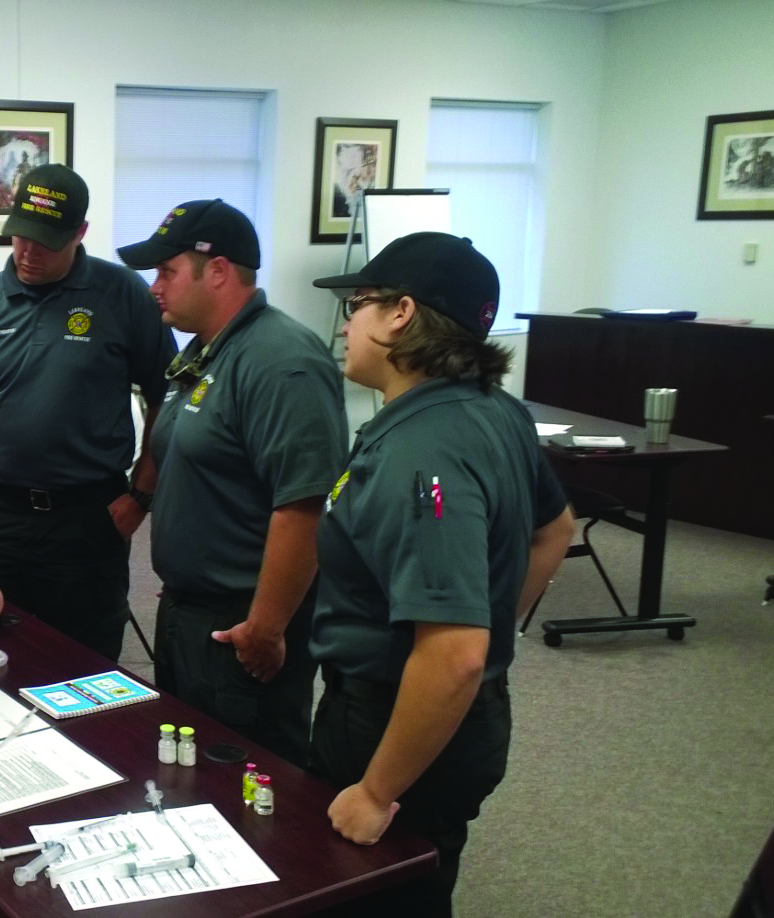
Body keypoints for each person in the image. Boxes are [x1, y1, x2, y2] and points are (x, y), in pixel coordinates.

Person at [308, 232, 575, 916]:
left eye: (357, 304)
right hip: (458, 715)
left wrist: (375, 792)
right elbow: (556, 528)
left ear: (401, 313)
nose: (346, 324)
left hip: (398, 722)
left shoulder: (422, 450)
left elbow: (454, 654)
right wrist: (489, 619)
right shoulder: (495, 410)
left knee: (381, 896)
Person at [114, 199, 347, 766]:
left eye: (166, 272)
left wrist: (264, 628)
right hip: (190, 612)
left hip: (242, 626)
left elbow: (305, 508)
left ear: (216, 270)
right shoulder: (206, 352)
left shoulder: (281, 362)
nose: (153, 288)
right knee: (185, 771)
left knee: (251, 778)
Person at [0, 163, 176, 661]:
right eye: (20, 237)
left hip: (88, 516)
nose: (28, 252)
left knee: (85, 661)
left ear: (80, 233)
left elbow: (166, 394)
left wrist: (142, 496)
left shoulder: (123, 294)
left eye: (47, 242)